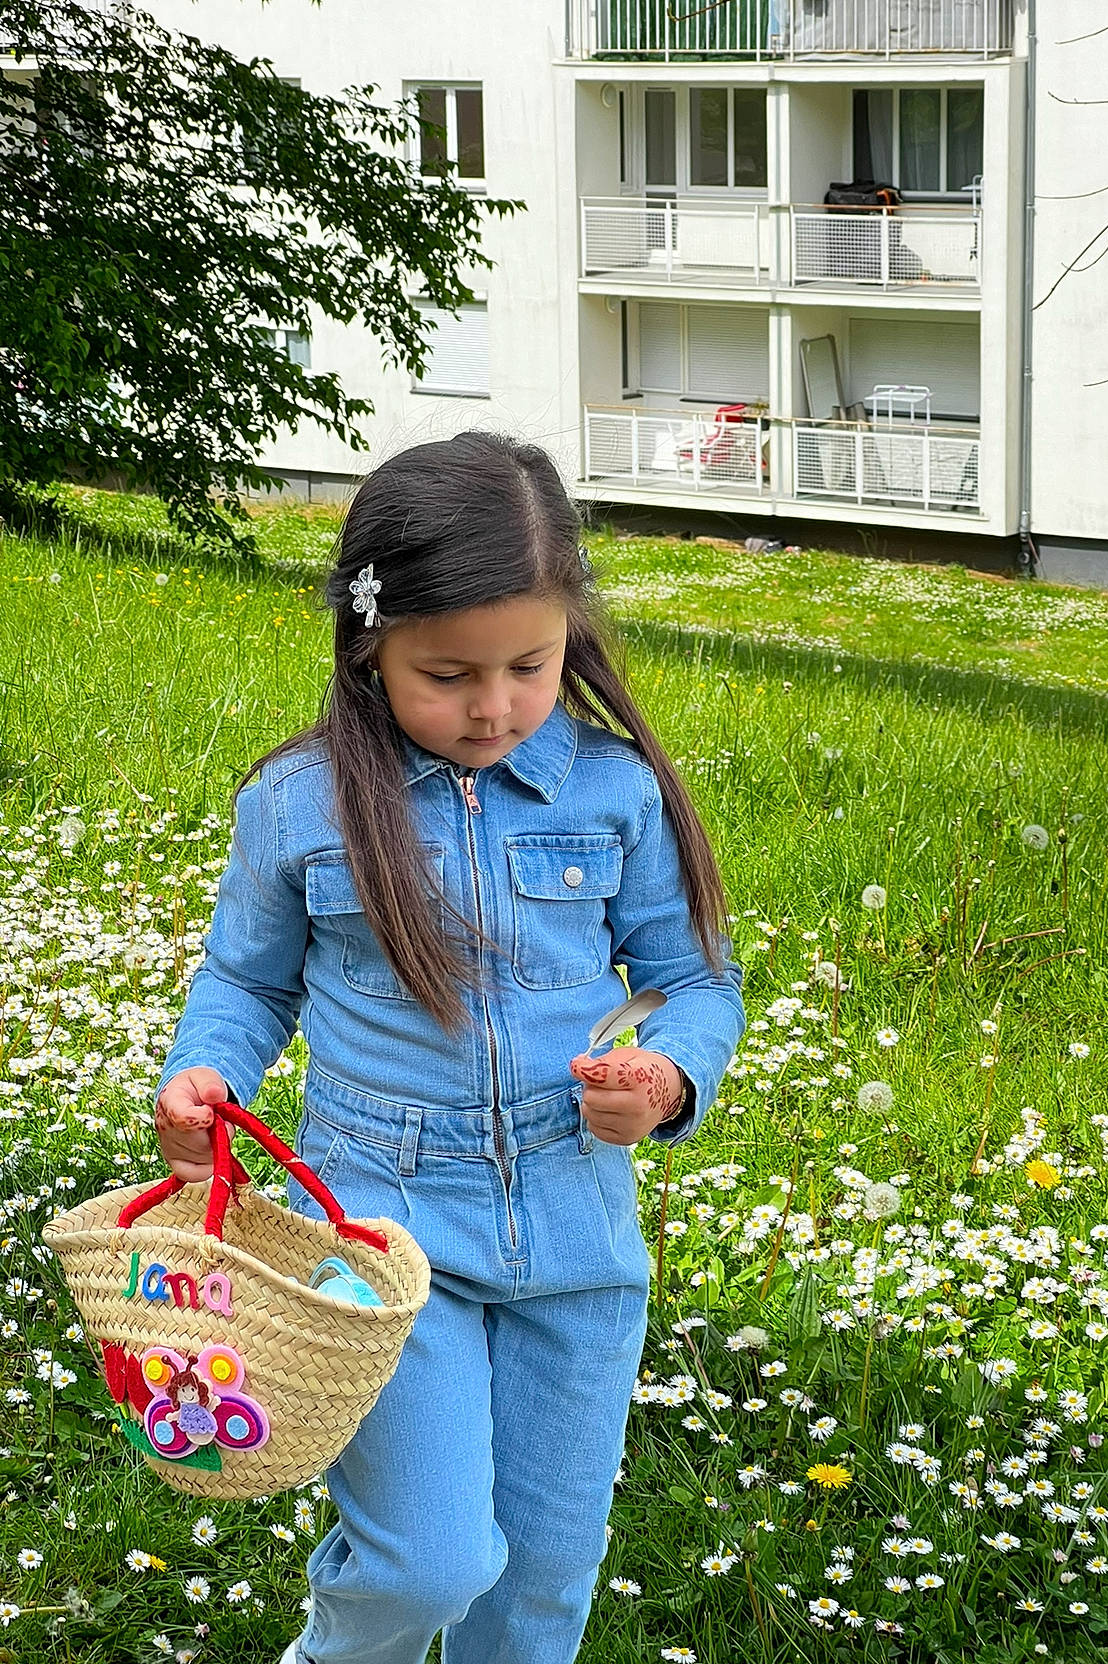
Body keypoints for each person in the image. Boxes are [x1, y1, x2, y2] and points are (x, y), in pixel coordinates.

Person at [151, 431, 747, 1664]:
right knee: (434, 1558)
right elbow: (246, 981)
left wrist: (671, 1075)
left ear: (569, 636)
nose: (493, 707)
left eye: (529, 666)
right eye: (449, 673)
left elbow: (691, 977)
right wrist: (204, 1073)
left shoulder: (614, 792)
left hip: (575, 1239)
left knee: (536, 1590)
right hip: (380, 1229)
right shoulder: (302, 805)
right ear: (369, 642)